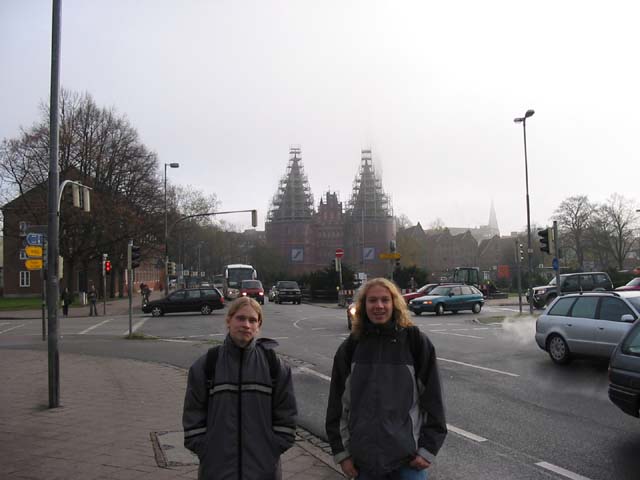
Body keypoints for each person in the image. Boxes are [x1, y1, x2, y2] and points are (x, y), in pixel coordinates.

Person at [326, 277, 447, 480]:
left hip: (408, 460)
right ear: (363, 306)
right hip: (364, 461)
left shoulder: (415, 342)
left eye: (385, 300)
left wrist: (428, 449)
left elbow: (434, 400)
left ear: (394, 303)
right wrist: (342, 454)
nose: (379, 306)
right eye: (372, 300)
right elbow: (337, 407)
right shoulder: (351, 347)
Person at [182, 297, 297, 480]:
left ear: (258, 325)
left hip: (263, 471)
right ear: (229, 320)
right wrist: (206, 450)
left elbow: (287, 415)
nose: (246, 325)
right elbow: (193, 414)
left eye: (252, 320)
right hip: (217, 471)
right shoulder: (207, 365)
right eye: (240, 318)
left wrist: (271, 449)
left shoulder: (274, 366)